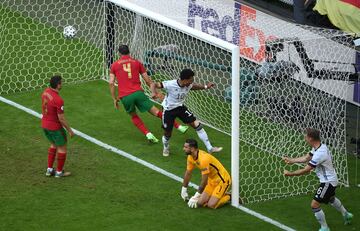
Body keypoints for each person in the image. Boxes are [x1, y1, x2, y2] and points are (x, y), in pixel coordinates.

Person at [109, 45, 188, 143]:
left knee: (134, 116)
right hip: (138, 93)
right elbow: (148, 81)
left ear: (119, 53)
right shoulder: (137, 63)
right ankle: (179, 126)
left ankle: (148, 134)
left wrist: (114, 98)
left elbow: (111, 82)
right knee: (156, 112)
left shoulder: (114, 65)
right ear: (129, 52)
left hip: (125, 96)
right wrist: (153, 92)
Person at [283, 128, 353, 231]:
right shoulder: (319, 147)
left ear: (310, 138)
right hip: (331, 179)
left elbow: (306, 170)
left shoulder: (320, 154)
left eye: (306, 136)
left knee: (314, 205)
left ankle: (324, 228)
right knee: (330, 198)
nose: (304, 138)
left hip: (327, 182)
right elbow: (306, 158)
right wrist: (291, 160)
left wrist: (290, 174)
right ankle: (346, 214)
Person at [150, 68, 222, 156]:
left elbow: (194, 86)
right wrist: (153, 93)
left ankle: (210, 148)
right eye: (190, 80)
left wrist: (206, 86)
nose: (191, 82)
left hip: (180, 108)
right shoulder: (170, 84)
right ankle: (166, 147)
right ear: (184, 80)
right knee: (167, 133)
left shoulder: (188, 85)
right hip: (168, 110)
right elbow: (153, 84)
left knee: (197, 125)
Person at [180, 139, 231, 209]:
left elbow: (204, 181)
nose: (183, 149)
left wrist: (196, 196)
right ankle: (217, 194)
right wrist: (184, 189)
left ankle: (229, 196)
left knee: (211, 205)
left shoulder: (203, 159)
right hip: (212, 180)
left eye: (186, 147)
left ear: (192, 149)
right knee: (200, 203)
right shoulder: (190, 157)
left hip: (222, 180)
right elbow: (188, 173)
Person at [41, 75, 74, 178]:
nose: (62, 84)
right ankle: (59, 172)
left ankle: (49, 170)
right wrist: (70, 130)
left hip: (45, 125)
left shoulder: (45, 92)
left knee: (53, 145)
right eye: (61, 82)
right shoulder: (58, 100)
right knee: (62, 148)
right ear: (58, 85)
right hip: (54, 128)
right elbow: (61, 119)